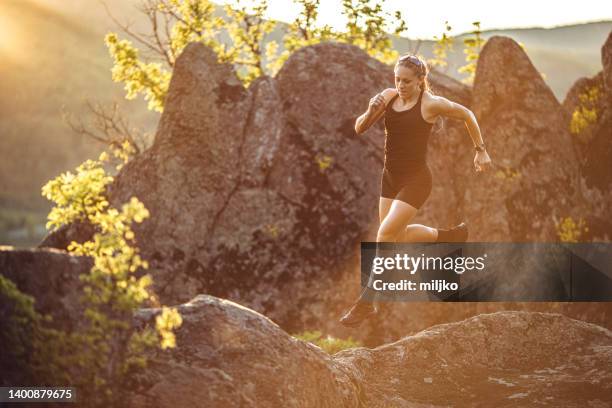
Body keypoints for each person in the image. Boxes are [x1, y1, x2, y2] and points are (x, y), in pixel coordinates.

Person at [339, 54, 492, 328]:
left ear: (421, 81)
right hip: (390, 178)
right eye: (397, 79)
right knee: (395, 237)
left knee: (384, 234)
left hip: (417, 180)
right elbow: (360, 128)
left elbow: (467, 114)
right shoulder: (387, 97)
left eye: (407, 81)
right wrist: (371, 108)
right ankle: (451, 236)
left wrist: (480, 151)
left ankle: (367, 302)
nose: (401, 85)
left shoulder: (431, 104)